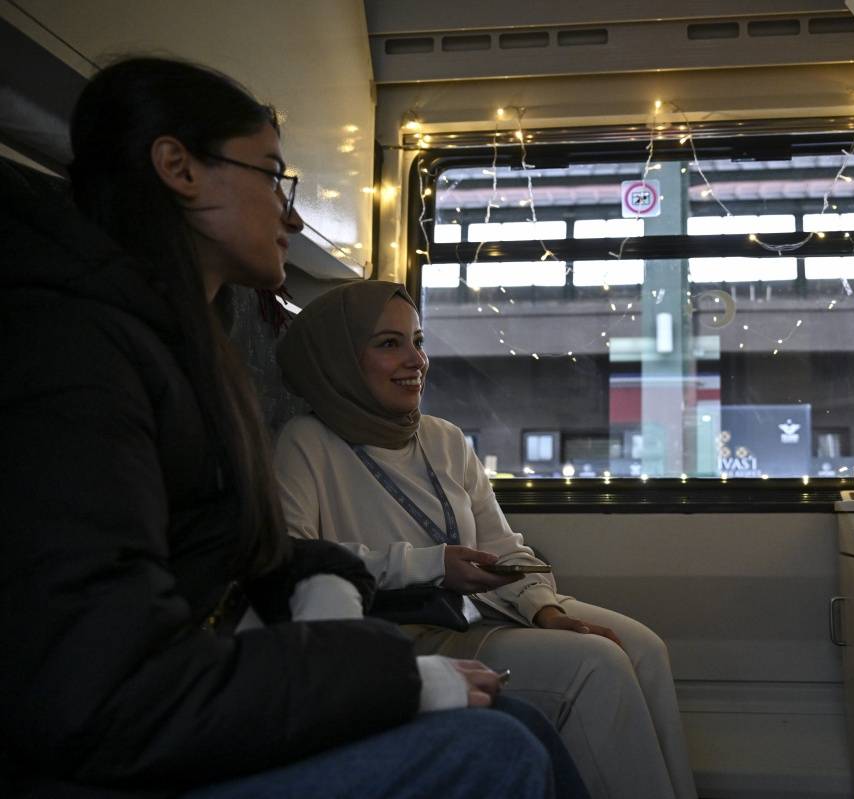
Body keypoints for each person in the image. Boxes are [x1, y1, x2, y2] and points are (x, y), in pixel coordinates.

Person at [0, 57, 577, 798]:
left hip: (178, 699)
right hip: (105, 751)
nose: (292, 215)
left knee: (517, 721)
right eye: (273, 176)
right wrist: (388, 673)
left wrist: (320, 581)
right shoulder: (72, 358)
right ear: (179, 167)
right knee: (495, 751)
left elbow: (228, 553)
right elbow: (104, 689)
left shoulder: (191, 350)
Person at [274, 280, 699, 799]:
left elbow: (502, 546)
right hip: (402, 628)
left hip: (484, 609)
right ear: (339, 361)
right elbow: (292, 560)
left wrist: (545, 610)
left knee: (644, 648)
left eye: (418, 341)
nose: (416, 360)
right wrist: (430, 565)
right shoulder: (306, 443)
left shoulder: (443, 437)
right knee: (597, 665)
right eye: (389, 343)